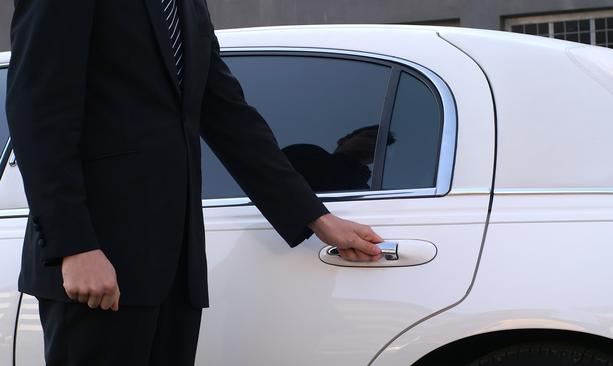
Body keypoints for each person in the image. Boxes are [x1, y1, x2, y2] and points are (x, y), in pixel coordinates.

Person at [5, 0, 384, 364]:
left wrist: (315, 216)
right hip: (97, 266)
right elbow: (37, 113)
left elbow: (227, 114)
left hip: (177, 272)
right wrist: (74, 246)